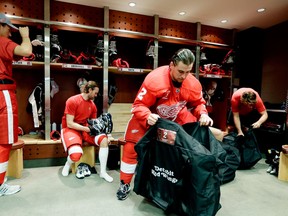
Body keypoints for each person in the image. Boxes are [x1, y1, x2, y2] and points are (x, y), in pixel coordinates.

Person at [116, 48, 215, 200]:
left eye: (188, 71)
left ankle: (173, 185)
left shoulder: (193, 84)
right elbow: (138, 106)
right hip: (149, 118)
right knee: (131, 148)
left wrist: (203, 114)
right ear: (171, 65)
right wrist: (147, 115)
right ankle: (125, 183)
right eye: (181, 71)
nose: (184, 76)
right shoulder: (154, 80)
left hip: (174, 117)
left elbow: (198, 104)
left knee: (186, 147)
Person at [0, 13, 32, 196]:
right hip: (3, 93)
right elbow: (26, 52)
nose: (10, 33)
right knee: (4, 142)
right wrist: (26, 37)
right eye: (7, 28)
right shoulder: (1, 41)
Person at [61, 81, 113, 182]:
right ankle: (67, 164)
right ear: (89, 90)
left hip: (84, 128)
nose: (96, 95)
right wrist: (87, 129)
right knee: (75, 155)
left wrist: (105, 133)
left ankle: (103, 172)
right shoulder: (72, 101)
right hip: (71, 129)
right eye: (95, 93)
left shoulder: (92, 105)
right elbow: (70, 123)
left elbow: (93, 123)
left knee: (104, 140)